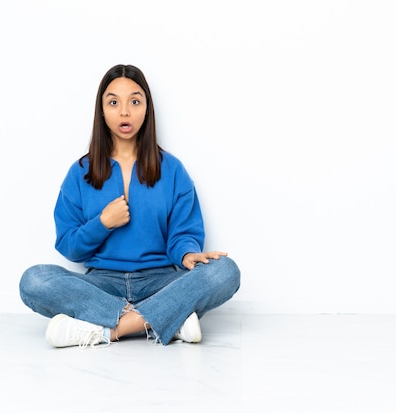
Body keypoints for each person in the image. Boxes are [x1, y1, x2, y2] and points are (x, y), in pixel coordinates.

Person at [19, 64, 241, 348]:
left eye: (135, 101)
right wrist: (102, 224)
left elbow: (184, 232)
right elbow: (69, 246)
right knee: (35, 280)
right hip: (102, 285)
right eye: (114, 102)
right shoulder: (80, 172)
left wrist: (186, 254)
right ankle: (167, 319)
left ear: (146, 109)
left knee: (225, 270)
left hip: (160, 281)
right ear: (102, 111)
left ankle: (107, 330)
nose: (125, 112)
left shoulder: (172, 170)